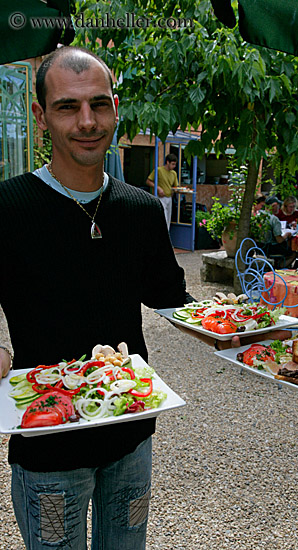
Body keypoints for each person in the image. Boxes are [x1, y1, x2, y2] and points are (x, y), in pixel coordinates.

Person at [0, 46, 196, 550]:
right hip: (48, 441)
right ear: (41, 116)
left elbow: (169, 296)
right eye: (68, 107)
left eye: (99, 105)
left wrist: (242, 330)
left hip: (130, 434)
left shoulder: (141, 209)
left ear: (114, 108)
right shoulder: (7, 208)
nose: (87, 121)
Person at [146, 153, 178, 228]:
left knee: (168, 220)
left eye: (175, 164)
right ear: (167, 162)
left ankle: (165, 237)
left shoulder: (174, 173)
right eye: (173, 164)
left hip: (169, 197)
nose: (174, 166)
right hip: (160, 198)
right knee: (163, 218)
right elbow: (148, 181)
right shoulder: (158, 170)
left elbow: (176, 186)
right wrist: (158, 188)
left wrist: (176, 190)